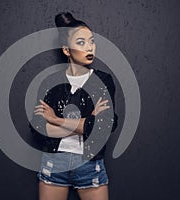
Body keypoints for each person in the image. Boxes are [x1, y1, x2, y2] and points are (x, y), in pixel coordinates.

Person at [30, 12, 118, 200]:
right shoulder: (51, 82)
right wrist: (85, 124)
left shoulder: (103, 81)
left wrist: (55, 120)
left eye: (91, 41)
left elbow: (103, 126)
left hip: (89, 165)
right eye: (81, 42)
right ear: (66, 50)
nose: (89, 48)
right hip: (55, 164)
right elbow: (37, 128)